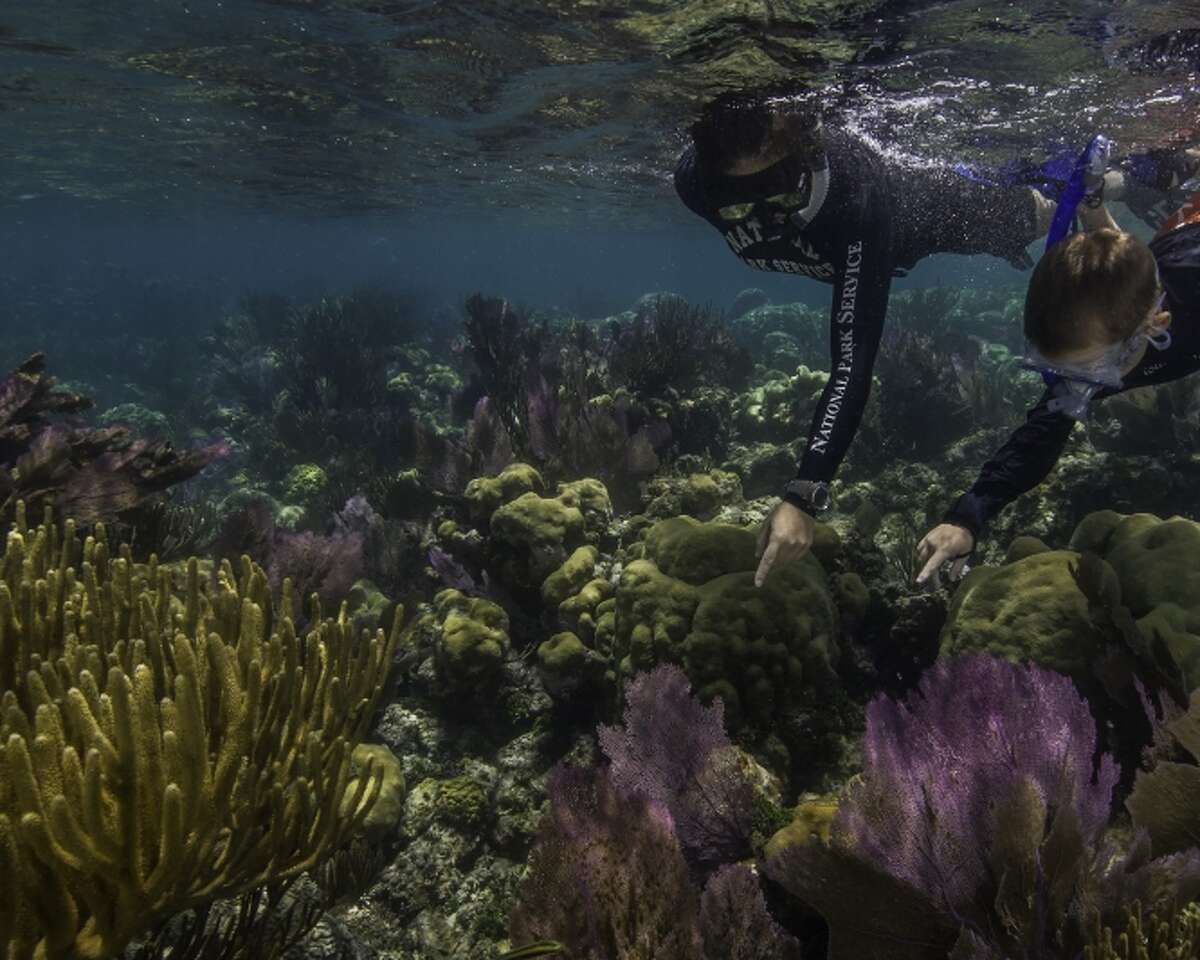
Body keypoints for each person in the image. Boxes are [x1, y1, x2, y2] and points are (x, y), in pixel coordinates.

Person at [676, 88, 1061, 587]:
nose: (764, 215)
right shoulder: (695, 184)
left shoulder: (855, 198)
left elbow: (853, 361)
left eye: (782, 193)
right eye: (737, 207)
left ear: (803, 160)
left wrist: (804, 493)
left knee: (1037, 213)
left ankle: (1128, 178)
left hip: (921, 211)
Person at [915, 182, 1200, 587]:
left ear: (1155, 329)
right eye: (1059, 367)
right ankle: (1097, 201)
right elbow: (1037, 440)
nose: (1076, 384)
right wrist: (966, 518)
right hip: (1171, 245)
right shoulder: (1098, 350)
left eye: (1093, 366)